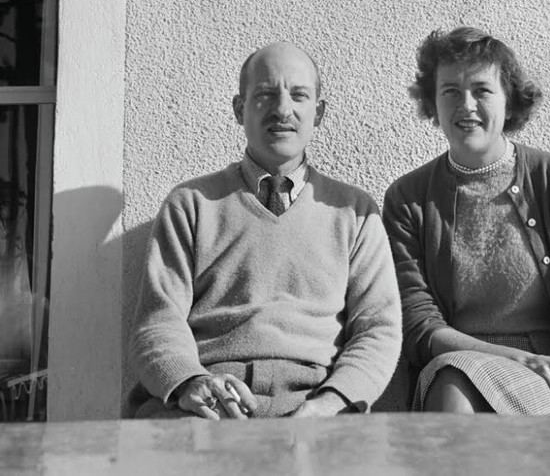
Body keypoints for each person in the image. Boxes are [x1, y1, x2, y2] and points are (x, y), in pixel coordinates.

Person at [128, 41, 401, 419]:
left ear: (318, 113)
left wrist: (331, 403)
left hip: (315, 399)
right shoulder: (190, 204)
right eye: (266, 95)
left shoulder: (355, 212)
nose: (283, 110)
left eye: (299, 96)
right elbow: (158, 321)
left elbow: (378, 330)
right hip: (209, 401)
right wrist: (191, 382)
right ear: (240, 109)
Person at [383, 27, 550, 415]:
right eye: (450, 91)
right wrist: (514, 359)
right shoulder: (408, 199)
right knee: (453, 380)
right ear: (432, 103)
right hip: (455, 370)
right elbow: (419, 324)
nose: (466, 105)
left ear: (509, 100)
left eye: (482, 90)